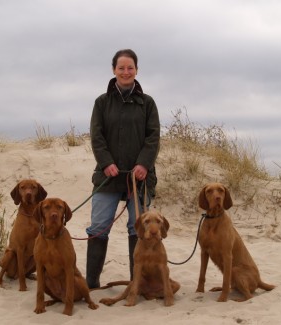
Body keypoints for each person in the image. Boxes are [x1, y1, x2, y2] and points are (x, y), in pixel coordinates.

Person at [86, 49, 161, 289]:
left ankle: (136, 282)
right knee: (98, 227)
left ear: (136, 70)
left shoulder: (147, 103)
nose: (126, 72)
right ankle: (92, 283)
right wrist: (106, 162)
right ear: (114, 70)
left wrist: (143, 164)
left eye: (130, 68)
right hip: (108, 177)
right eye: (121, 68)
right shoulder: (102, 102)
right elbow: (96, 137)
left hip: (138, 179)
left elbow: (153, 137)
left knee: (137, 228)